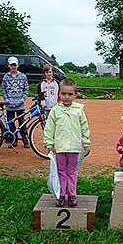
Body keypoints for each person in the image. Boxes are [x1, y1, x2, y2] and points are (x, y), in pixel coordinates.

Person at [44, 79, 90, 207]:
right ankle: (60, 195)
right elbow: (49, 128)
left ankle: (71, 195)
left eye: (70, 94)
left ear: (75, 95)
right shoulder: (55, 110)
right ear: (59, 94)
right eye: (64, 94)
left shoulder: (79, 110)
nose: (67, 97)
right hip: (59, 148)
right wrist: (49, 144)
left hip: (74, 148)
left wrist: (86, 143)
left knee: (72, 172)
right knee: (61, 172)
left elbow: (84, 127)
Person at [1, 56, 30, 148]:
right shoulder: (6, 77)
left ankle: (25, 139)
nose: (13, 67)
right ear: (8, 66)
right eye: (11, 65)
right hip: (9, 105)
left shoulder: (23, 76)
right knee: (11, 123)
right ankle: (14, 139)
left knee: (22, 123)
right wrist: (6, 100)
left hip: (20, 105)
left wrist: (22, 99)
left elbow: (26, 89)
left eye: (15, 65)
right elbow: (3, 89)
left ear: (17, 65)